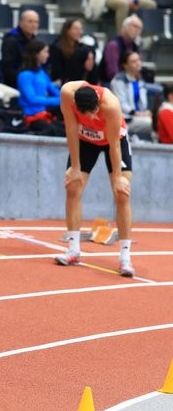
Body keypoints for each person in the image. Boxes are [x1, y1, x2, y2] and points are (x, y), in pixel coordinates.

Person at [56, 81, 135, 278]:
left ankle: (125, 258)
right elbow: (72, 130)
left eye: (94, 113)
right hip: (85, 140)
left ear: (98, 105)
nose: (92, 118)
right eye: (86, 115)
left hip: (113, 140)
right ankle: (73, 250)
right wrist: (75, 167)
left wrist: (117, 177)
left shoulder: (111, 104)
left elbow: (115, 146)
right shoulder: (67, 94)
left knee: (122, 194)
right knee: (73, 187)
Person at [16, 39, 61, 134]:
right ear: (36, 54)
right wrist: (57, 101)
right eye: (45, 52)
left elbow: (55, 92)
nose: (48, 55)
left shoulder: (42, 73)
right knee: (54, 131)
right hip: (31, 117)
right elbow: (31, 99)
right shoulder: (25, 75)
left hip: (44, 114)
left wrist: (67, 97)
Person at [110, 51, 153, 140]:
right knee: (152, 123)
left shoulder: (140, 80)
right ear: (125, 65)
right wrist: (137, 113)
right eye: (133, 62)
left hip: (139, 116)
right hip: (126, 119)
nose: (138, 63)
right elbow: (120, 103)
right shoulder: (118, 81)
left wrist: (145, 112)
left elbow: (142, 104)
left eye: (138, 60)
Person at [49, 18, 96, 85]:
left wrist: (90, 57)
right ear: (67, 30)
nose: (80, 32)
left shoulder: (82, 48)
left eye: (80, 29)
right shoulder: (57, 48)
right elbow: (56, 73)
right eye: (76, 29)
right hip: (62, 84)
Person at [98, 14, 142, 85]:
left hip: (129, 82)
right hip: (110, 84)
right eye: (134, 26)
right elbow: (112, 73)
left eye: (139, 28)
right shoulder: (114, 45)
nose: (137, 30)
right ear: (124, 27)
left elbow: (138, 70)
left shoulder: (135, 46)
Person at [1, 9, 39, 88]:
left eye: (36, 22)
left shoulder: (34, 40)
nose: (34, 25)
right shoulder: (10, 41)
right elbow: (8, 70)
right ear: (21, 23)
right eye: (30, 21)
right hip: (16, 83)